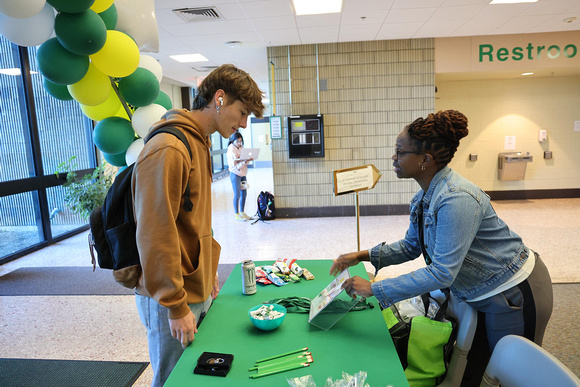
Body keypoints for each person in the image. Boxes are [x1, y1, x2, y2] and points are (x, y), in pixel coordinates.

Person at [330, 110, 553, 385]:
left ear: (425, 160)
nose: (393, 158)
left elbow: (441, 274)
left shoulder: (456, 198)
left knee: (515, 375)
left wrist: (374, 288)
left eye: (400, 152)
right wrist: (361, 255)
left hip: (513, 291)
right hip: (477, 290)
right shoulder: (425, 195)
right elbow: (412, 245)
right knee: (478, 370)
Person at [131, 64, 264, 386]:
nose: (243, 124)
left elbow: (194, 223)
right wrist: (175, 306)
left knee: (198, 376)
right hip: (170, 294)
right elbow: (154, 234)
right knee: (173, 379)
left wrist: (208, 274)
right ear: (219, 99)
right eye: (242, 111)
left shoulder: (198, 142)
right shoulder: (169, 148)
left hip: (194, 283)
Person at [227, 131, 252, 221]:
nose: (239, 143)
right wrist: (243, 162)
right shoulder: (231, 150)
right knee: (237, 194)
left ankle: (242, 212)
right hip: (235, 174)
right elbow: (235, 166)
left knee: (244, 193)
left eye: (241, 141)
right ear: (233, 141)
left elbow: (245, 161)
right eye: (237, 141)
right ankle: (237, 214)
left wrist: (247, 160)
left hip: (243, 174)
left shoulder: (242, 147)